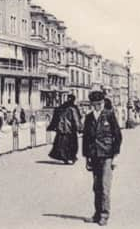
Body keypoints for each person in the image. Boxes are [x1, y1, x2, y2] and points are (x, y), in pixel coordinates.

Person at [82, 91, 122, 226]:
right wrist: (86, 157)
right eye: (95, 104)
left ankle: (104, 215)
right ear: (91, 104)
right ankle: (97, 214)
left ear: (103, 103)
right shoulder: (88, 117)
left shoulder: (109, 115)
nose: (97, 106)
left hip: (107, 155)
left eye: (99, 104)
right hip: (94, 155)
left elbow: (118, 136)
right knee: (96, 186)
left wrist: (115, 155)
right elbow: (86, 139)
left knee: (105, 186)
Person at [48, 95, 82, 164]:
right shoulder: (73, 108)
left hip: (61, 130)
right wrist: (80, 128)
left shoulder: (60, 108)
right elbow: (76, 119)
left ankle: (65, 158)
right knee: (72, 145)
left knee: (61, 145)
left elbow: (55, 119)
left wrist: (51, 127)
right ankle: (72, 157)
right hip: (70, 130)